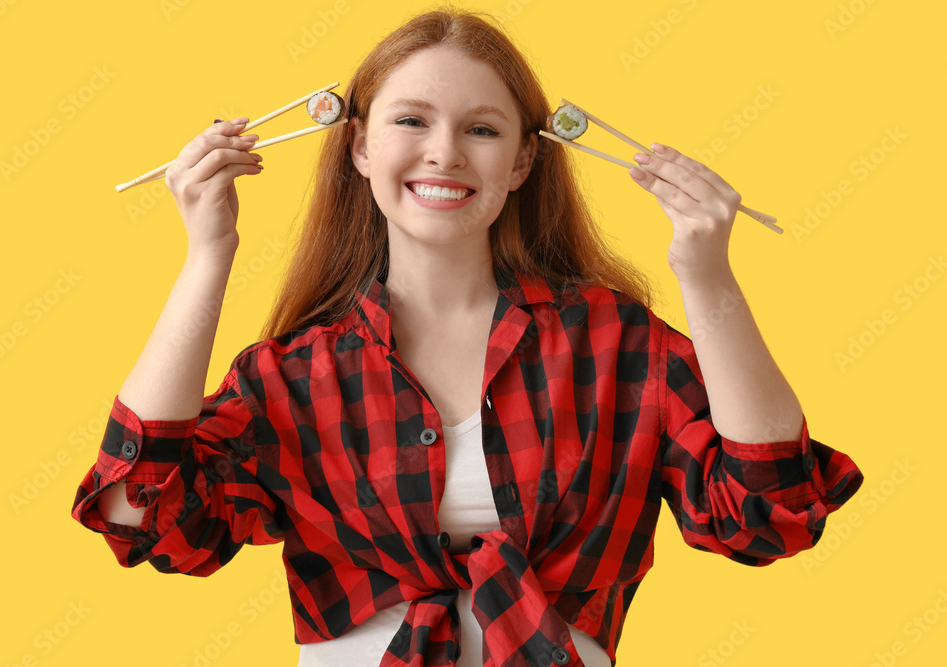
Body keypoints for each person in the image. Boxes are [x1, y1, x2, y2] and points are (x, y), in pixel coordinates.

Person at [70, 7, 863, 667]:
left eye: (481, 129)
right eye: (411, 120)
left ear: (522, 161)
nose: (444, 151)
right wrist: (208, 256)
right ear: (360, 147)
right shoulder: (292, 375)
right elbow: (144, 518)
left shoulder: (616, 346)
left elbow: (770, 515)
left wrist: (708, 275)